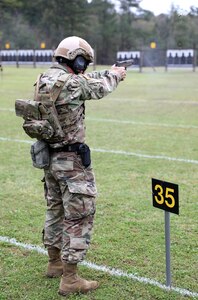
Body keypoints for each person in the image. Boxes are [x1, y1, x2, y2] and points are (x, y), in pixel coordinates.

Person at [37, 36, 126, 297]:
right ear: (74, 59)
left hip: (50, 159)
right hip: (72, 162)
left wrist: (110, 70)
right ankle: (71, 279)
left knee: (55, 210)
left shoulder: (45, 79)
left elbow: (85, 79)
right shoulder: (73, 83)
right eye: (83, 62)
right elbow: (100, 87)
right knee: (79, 215)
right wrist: (115, 76)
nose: (84, 66)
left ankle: (54, 263)